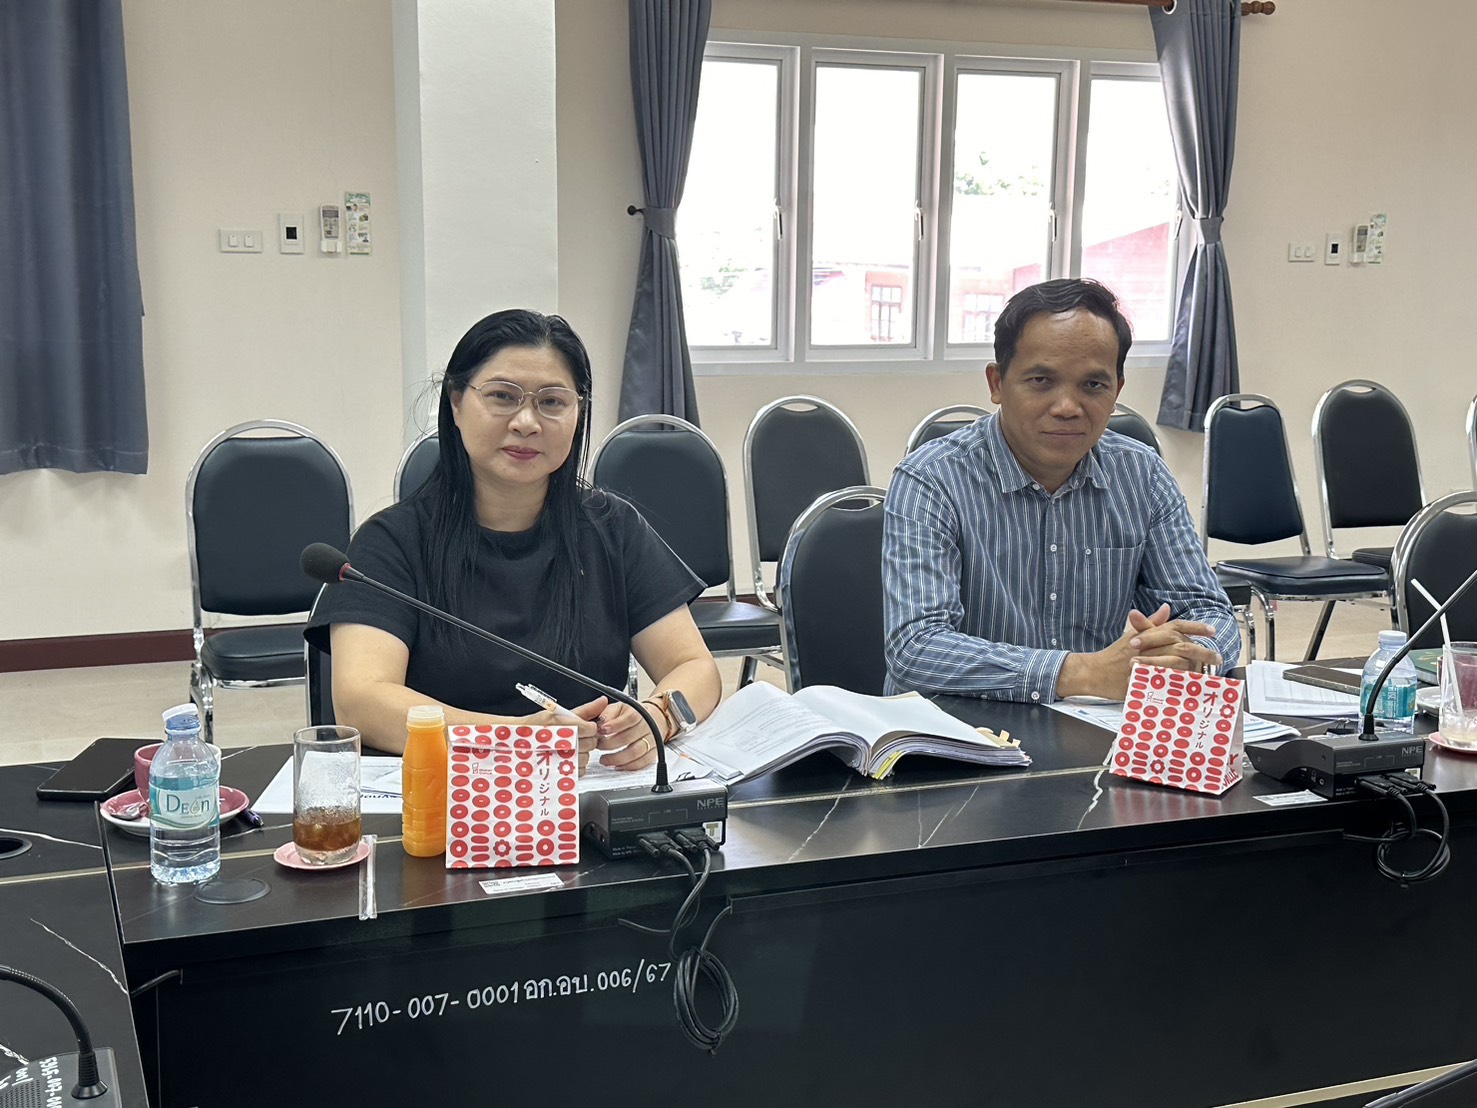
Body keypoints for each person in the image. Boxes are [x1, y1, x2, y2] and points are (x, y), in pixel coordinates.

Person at [306, 309, 721, 764]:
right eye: (502, 396)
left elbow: (694, 666)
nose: (526, 422)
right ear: (456, 403)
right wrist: (512, 739)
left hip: (588, 789)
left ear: (578, 413)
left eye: (552, 402)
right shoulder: (392, 542)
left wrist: (659, 717)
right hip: (445, 790)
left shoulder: (613, 528)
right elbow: (362, 701)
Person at [883, 278, 1239, 704]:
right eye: (1041, 380)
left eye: (1092, 385)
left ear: (1117, 391)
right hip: (958, 725)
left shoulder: (1142, 474)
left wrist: (1186, 656)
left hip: (1093, 720)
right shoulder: (931, 479)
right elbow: (916, 647)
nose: (1067, 407)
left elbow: (1208, 611)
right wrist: (1082, 672)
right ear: (997, 383)